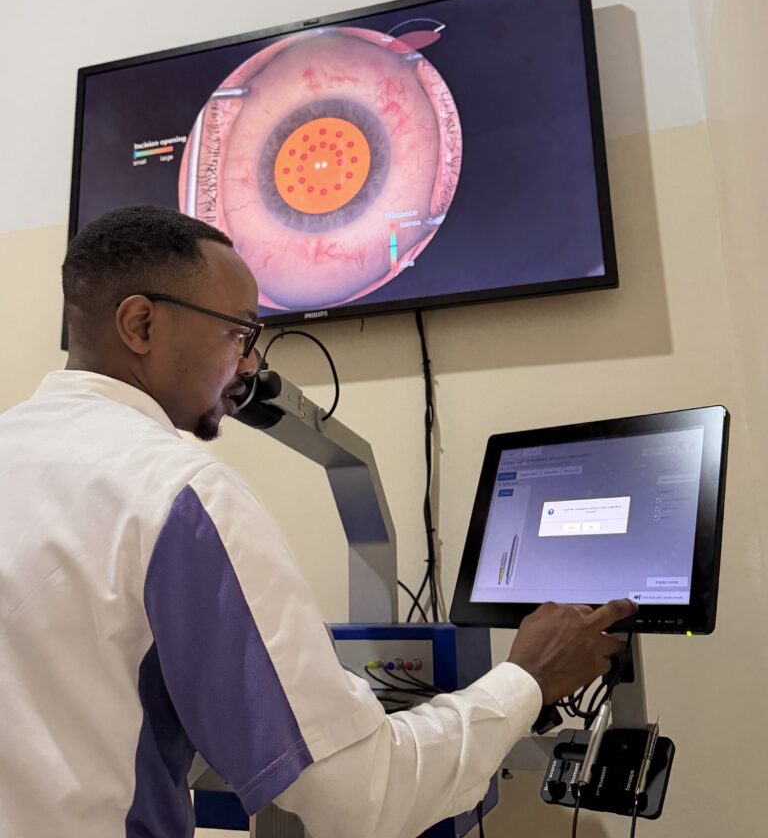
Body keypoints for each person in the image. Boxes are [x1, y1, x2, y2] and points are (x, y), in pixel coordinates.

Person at [0, 205, 635, 838]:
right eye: (240, 332)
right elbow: (356, 796)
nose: (249, 366)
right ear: (141, 324)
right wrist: (528, 679)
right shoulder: (178, 493)